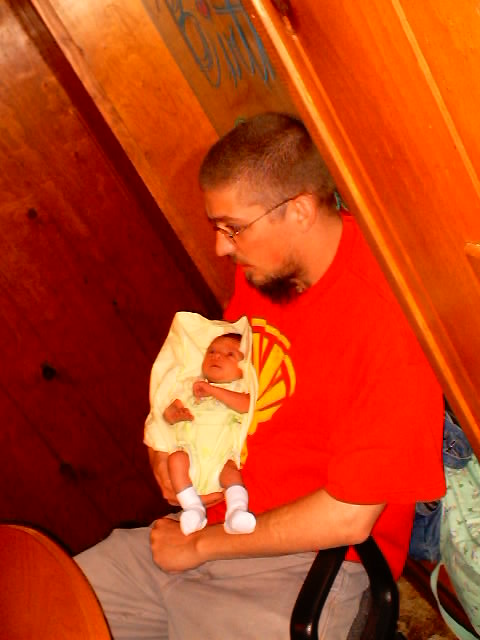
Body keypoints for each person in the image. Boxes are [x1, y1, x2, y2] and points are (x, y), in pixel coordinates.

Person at [75, 112, 446, 639]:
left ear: (300, 211)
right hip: (213, 520)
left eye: (233, 228)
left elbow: (349, 516)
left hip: (302, 565)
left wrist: (201, 546)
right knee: (45, 604)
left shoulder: (391, 319)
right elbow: (224, 371)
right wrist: (166, 444)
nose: (222, 247)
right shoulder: (269, 270)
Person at [148, 316, 257, 536]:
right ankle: (192, 508)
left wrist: (212, 390)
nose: (217, 356)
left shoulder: (239, 387)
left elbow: (247, 405)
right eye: (211, 351)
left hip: (222, 457)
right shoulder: (189, 386)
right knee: (176, 459)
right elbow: (167, 415)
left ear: (243, 367)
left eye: (230, 354)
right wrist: (174, 414)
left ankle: (237, 511)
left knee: (231, 474)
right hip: (191, 454)